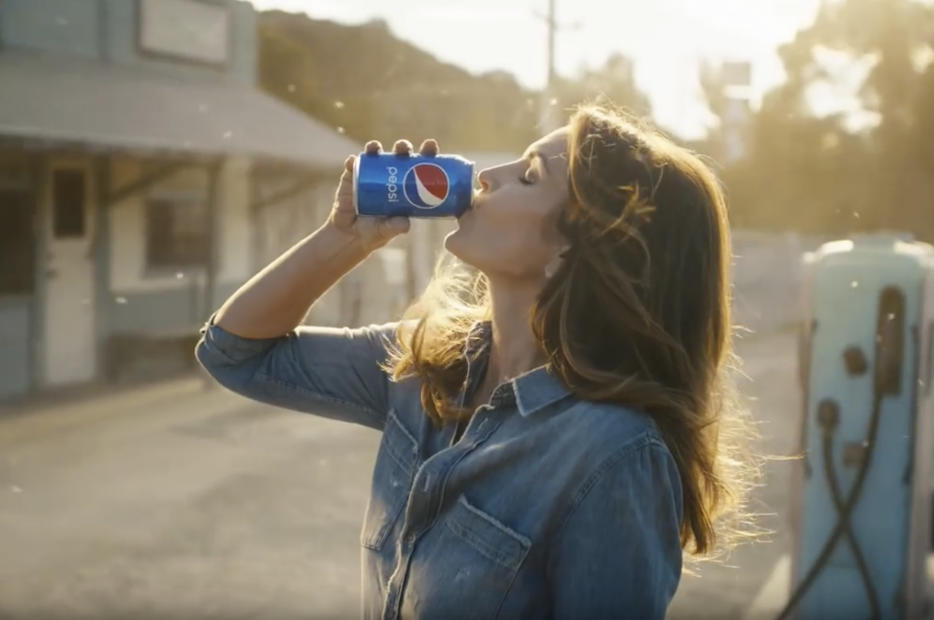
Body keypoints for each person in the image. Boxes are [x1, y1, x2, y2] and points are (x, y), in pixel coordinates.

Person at [196, 104, 760, 619]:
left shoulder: (612, 456)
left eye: (529, 175)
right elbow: (235, 354)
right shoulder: (424, 363)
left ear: (572, 249)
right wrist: (343, 240)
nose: (487, 176)